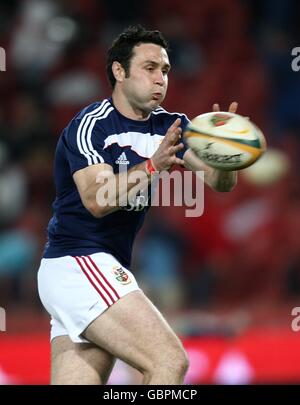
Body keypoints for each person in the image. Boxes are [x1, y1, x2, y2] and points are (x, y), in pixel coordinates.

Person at [37, 24, 237, 385]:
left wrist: (224, 155)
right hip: (78, 261)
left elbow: (220, 183)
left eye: (165, 71)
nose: (161, 79)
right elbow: (97, 201)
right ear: (119, 71)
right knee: (168, 362)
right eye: (149, 68)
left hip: (95, 267)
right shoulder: (91, 125)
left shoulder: (171, 127)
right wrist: (153, 165)